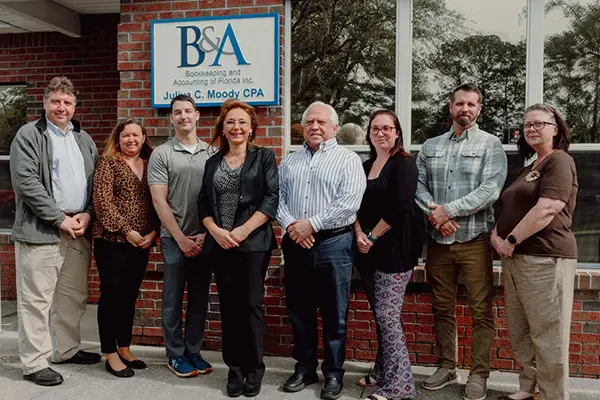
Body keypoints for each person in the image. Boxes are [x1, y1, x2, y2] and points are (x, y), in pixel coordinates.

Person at [415, 83, 507, 400]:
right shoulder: (430, 146)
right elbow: (419, 188)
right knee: (442, 307)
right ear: (450, 107)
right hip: (438, 243)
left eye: (471, 104)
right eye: (459, 104)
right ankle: (446, 365)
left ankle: (479, 374)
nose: (464, 109)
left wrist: (447, 211)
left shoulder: (490, 145)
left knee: (481, 309)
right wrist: (435, 216)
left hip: (475, 240)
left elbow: (490, 190)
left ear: (479, 109)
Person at [9, 76, 100, 386]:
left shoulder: (83, 138)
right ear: (45, 103)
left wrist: (87, 214)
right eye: (56, 101)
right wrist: (59, 219)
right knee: (36, 299)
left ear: (74, 106)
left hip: (78, 228)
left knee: (72, 296)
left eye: (67, 102)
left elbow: (93, 183)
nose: (62, 107)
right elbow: (26, 183)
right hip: (42, 230)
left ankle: (66, 349)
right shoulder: (29, 135)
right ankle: (34, 362)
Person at [277, 101, 366, 400]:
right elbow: (277, 199)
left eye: (321, 122)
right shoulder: (289, 161)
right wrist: (293, 226)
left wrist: (310, 225)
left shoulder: (347, 160)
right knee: (299, 311)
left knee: (334, 313)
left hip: (334, 244)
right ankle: (304, 368)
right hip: (296, 244)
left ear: (334, 128)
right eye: (310, 121)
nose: (315, 126)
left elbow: (349, 204)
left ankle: (333, 374)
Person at [492, 104, 578, 400]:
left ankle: (555, 395)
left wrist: (511, 240)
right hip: (516, 260)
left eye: (539, 124)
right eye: (527, 124)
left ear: (556, 129)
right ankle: (530, 388)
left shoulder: (559, 161)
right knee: (522, 331)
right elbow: (508, 207)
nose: (531, 129)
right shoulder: (530, 166)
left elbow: (548, 208)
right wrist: (496, 235)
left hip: (545, 258)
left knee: (549, 335)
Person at [198, 100, 279, 397]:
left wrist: (243, 230)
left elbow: (271, 199)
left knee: (250, 306)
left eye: (242, 122)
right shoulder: (212, 162)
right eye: (230, 122)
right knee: (229, 309)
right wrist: (216, 231)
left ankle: (254, 369)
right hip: (221, 246)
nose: (236, 128)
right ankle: (234, 370)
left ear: (251, 127)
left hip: (253, 245)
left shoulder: (264, 158)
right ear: (223, 127)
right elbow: (203, 203)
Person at [354, 110, 418, 400]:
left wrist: (371, 236)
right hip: (366, 251)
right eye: (375, 128)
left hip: (395, 251)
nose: (381, 133)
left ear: (397, 132)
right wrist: (358, 233)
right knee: (381, 316)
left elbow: (400, 205)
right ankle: (381, 371)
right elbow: (350, 203)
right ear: (369, 133)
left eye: (387, 128)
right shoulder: (364, 164)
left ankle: (400, 385)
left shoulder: (403, 163)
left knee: (387, 315)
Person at [148, 94, 213, 378]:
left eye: (188, 111)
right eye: (177, 112)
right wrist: (181, 238)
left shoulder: (212, 153)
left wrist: (203, 235)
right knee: (173, 299)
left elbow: (216, 197)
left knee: (199, 298)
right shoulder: (161, 154)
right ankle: (175, 354)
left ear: (197, 116)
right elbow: (159, 202)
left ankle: (193, 351)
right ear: (171, 118)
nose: (183, 116)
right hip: (173, 239)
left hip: (204, 239)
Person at [92, 119, 159, 378]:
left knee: (129, 296)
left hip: (142, 242)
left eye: (136, 135)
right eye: (125, 135)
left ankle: (124, 347)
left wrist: (153, 232)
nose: (131, 139)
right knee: (111, 295)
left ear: (144, 137)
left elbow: (157, 201)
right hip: (113, 241)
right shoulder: (109, 163)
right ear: (117, 139)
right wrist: (125, 230)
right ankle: (109, 352)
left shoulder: (152, 162)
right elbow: (102, 201)